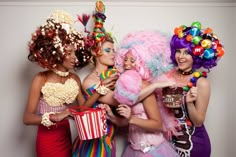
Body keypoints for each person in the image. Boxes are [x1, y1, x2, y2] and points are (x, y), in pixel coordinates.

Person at [23, 10, 116, 157]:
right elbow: (27, 118)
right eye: (69, 53)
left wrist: (100, 89)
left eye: (75, 52)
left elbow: (83, 108)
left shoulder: (74, 79)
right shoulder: (40, 78)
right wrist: (55, 117)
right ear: (57, 54)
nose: (74, 58)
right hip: (47, 139)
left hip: (65, 136)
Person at [108, 30, 179, 157]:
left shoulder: (145, 86)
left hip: (151, 151)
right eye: (125, 59)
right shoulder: (127, 87)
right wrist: (112, 117)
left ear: (141, 63)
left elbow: (158, 125)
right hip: (134, 148)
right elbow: (127, 121)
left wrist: (131, 118)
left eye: (132, 60)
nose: (127, 63)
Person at [166, 21, 225, 157]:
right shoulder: (167, 76)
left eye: (187, 53)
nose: (180, 57)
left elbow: (198, 121)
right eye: (178, 51)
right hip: (168, 144)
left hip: (195, 145)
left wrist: (189, 102)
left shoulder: (201, 82)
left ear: (196, 55)